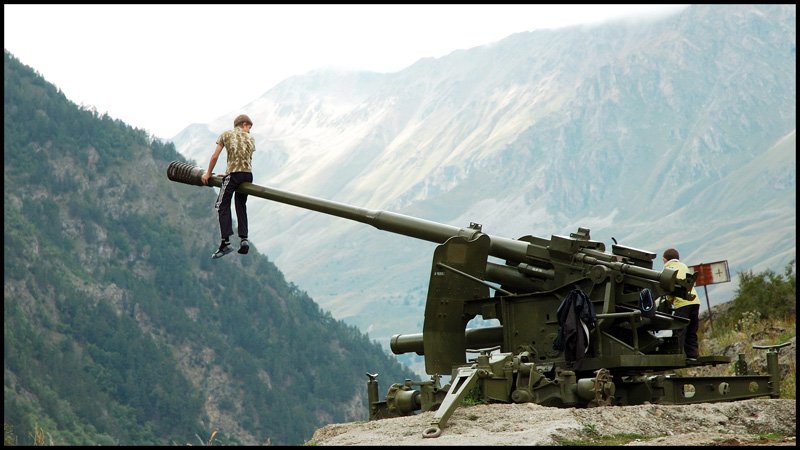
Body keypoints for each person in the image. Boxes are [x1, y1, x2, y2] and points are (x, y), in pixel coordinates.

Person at [201, 114, 256, 259]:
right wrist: (229, 173)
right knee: (241, 205)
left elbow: (215, 156)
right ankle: (244, 239)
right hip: (248, 175)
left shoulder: (226, 135)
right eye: (249, 127)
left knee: (222, 205)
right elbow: (244, 159)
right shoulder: (251, 139)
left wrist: (208, 173)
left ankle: (225, 243)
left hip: (233, 175)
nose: (249, 131)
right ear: (244, 124)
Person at [662, 248, 701, 360]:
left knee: (679, 329)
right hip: (695, 301)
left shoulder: (667, 269)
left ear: (664, 259)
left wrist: (668, 301)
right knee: (692, 330)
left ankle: (677, 355)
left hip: (682, 303)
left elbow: (668, 288)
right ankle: (693, 355)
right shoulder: (684, 266)